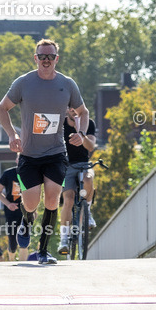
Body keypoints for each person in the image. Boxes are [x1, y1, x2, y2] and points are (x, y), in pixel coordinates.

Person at [0, 39, 89, 265]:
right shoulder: (23, 83)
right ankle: (27, 220)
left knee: (52, 198)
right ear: (35, 58)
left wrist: (82, 134)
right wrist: (12, 134)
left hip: (56, 153)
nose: (46, 60)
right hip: (29, 155)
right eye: (42, 56)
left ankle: (44, 251)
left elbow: (83, 112)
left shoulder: (67, 84)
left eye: (50, 56)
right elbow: (2, 108)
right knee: (30, 203)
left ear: (57, 59)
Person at [58, 107, 98, 255]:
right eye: (70, 107)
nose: (73, 110)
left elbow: (90, 147)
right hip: (66, 166)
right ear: (66, 109)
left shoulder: (89, 123)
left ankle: (87, 211)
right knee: (68, 199)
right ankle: (64, 239)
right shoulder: (60, 125)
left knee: (88, 179)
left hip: (83, 164)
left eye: (76, 107)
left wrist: (80, 132)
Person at [0, 161, 29, 261]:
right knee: (13, 240)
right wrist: (8, 204)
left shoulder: (31, 172)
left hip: (26, 209)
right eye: (20, 158)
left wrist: (34, 208)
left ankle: (23, 264)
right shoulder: (8, 173)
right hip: (11, 210)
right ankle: (12, 258)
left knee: (24, 238)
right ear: (17, 160)